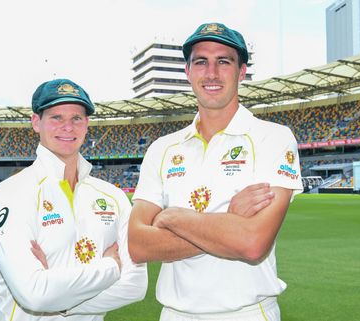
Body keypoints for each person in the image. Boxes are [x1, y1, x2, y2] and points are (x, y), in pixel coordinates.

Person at [128, 22, 303, 321]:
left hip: (247, 313)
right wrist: (230, 222)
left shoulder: (272, 137)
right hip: (174, 314)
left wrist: (174, 218)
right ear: (188, 72)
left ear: (241, 71)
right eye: (201, 62)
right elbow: (137, 244)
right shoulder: (162, 148)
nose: (211, 73)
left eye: (223, 61)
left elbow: (252, 245)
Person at [0, 79, 147, 321]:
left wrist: (57, 298)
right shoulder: (10, 194)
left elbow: (135, 286)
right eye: (56, 117)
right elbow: (34, 295)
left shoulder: (113, 197)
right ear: (36, 122)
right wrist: (111, 267)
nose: (67, 127)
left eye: (76, 118)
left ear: (87, 124)